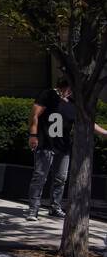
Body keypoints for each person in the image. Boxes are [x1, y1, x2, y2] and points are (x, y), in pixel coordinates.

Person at [26, 76, 107, 221]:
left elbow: (87, 122)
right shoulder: (48, 95)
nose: (70, 92)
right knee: (40, 177)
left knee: (61, 178)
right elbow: (34, 115)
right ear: (63, 86)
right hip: (46, 143)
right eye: (69, 89)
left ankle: (55, 207)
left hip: (62, 146)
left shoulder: (73, 103)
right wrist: (33, 134)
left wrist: (104, 133)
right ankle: (33, 209)